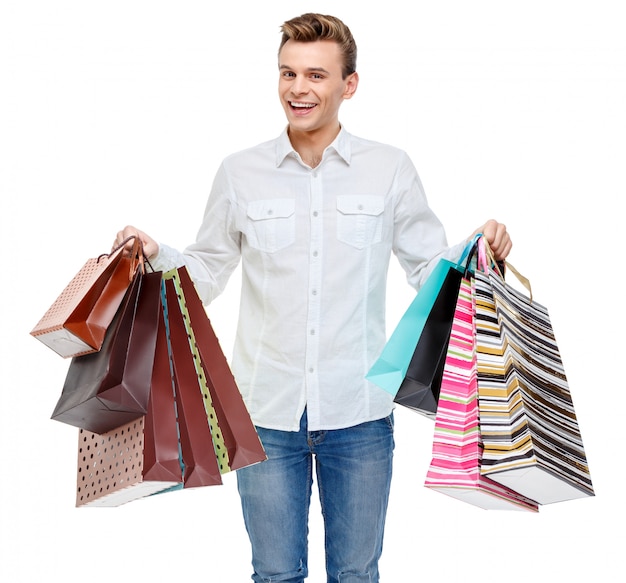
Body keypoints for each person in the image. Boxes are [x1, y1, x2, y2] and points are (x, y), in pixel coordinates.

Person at [115, 13, 512, 582]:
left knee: (356, 574)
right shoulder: (239, 172)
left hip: (360, 413)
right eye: (287, 73)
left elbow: (428, 272)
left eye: (316, 76)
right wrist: (157, 253)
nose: (298, 89)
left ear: (349, 85)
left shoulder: (389, 169)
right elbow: (206, 272)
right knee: (274, 575)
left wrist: (481, 248)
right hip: (266, 412)